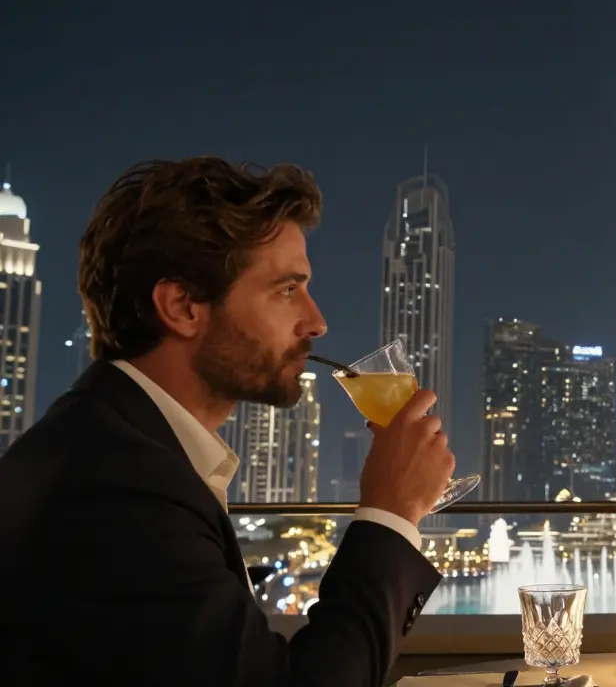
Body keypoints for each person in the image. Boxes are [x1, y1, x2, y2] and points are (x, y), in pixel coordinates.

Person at [0, 158, 457, 685]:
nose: (317, 321)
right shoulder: (117, 487)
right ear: (182, 307)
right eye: (287, 290)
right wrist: (391, 512)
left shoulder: (118, 445)